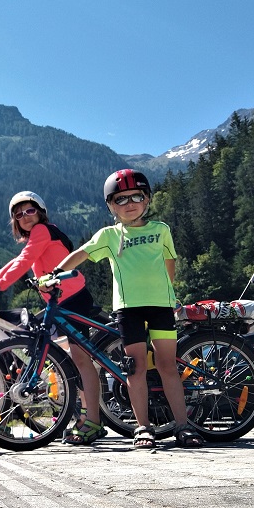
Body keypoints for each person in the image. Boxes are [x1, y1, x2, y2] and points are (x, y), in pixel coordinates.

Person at [53, 169, 203, 448]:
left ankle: (183, 426)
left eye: (136, 196)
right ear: (110, 206)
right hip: (128, 309)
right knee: (134, 369)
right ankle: (143, 428)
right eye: (120, 199)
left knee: (167, 365)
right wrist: (55, 273)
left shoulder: (161, 230)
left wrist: (167, 293)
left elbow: (169, 265)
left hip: (160, 306)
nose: (129, 203)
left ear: (146, 199)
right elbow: (81, 254)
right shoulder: (109, 235)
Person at [0, 191, 106, 446]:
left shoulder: (42, 231)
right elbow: (19, 259)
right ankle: (87, 416)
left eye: (29, 211)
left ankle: (92, 420)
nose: (24, 217)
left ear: (40, 211)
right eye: (18, 214)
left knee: (81, 361)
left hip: (72, 299)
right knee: (72, 359)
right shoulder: (39, 235)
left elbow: (24, 260)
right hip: (61, 301)